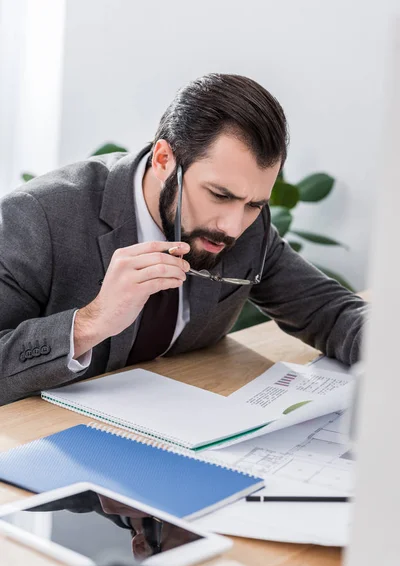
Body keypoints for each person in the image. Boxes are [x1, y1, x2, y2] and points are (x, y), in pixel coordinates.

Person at [0, 73, 366, 405]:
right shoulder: (38, 217)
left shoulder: (246, 226)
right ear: (164, 161)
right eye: (219, 195)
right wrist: (89, 323)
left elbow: (332, 313)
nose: (233, 227)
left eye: (254, 204)